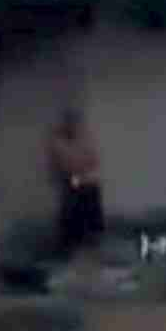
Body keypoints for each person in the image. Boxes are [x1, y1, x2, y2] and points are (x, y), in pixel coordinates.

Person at [49, 107, 104, 259]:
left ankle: (91, 239)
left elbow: (93, 160)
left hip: (83, 181)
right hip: (70, 181)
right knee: (75, 190)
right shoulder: (58, 141)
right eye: (71, 123)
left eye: (76, 124)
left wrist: (80, 166)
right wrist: (79, 165)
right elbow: (65, 165)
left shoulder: (84, 138)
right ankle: (70, 243)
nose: (74, 127)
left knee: (90, 187)